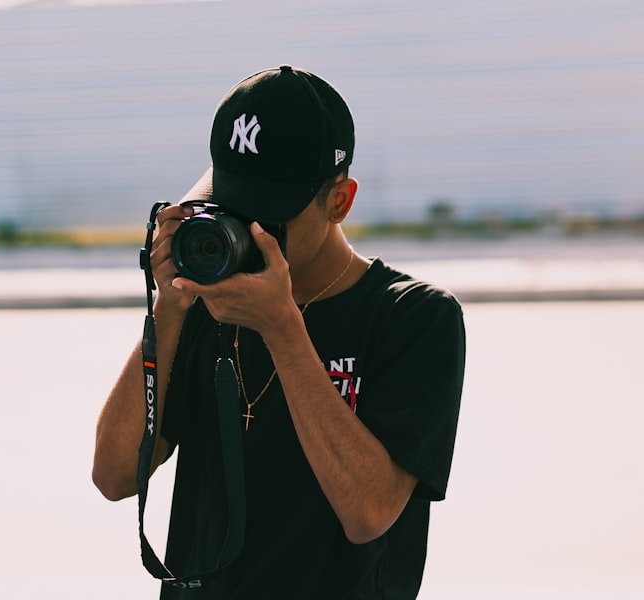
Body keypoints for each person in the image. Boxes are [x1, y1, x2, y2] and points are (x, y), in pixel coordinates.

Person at [92, 65, 465, 599]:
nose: (246, 229)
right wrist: (168, 309)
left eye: (267, 213)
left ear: (340, 200)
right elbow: (113, 477)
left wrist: (283, 328)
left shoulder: (414, 317)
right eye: (228, 205)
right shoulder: (206, 302)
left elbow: (370, 512)